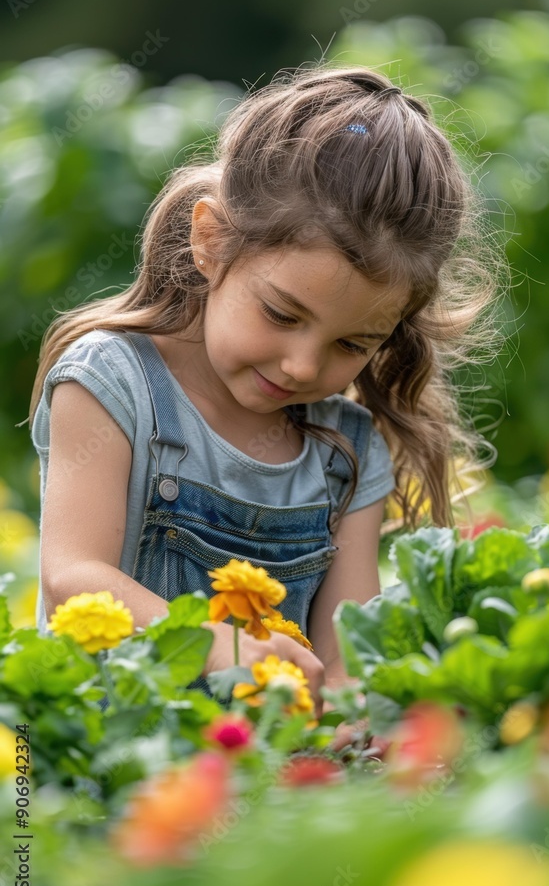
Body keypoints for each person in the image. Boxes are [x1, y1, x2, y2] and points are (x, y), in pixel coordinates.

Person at [27, 64, 505, 717]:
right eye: (282, 315)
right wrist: (218, 645)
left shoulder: (347, 449)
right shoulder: (112, 382)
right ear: (211, 242)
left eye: (352, 345)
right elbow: (72, 578)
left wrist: (345, 709)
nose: (303, 366)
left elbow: (346, 646)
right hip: (104, 743)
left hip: (266, 765)